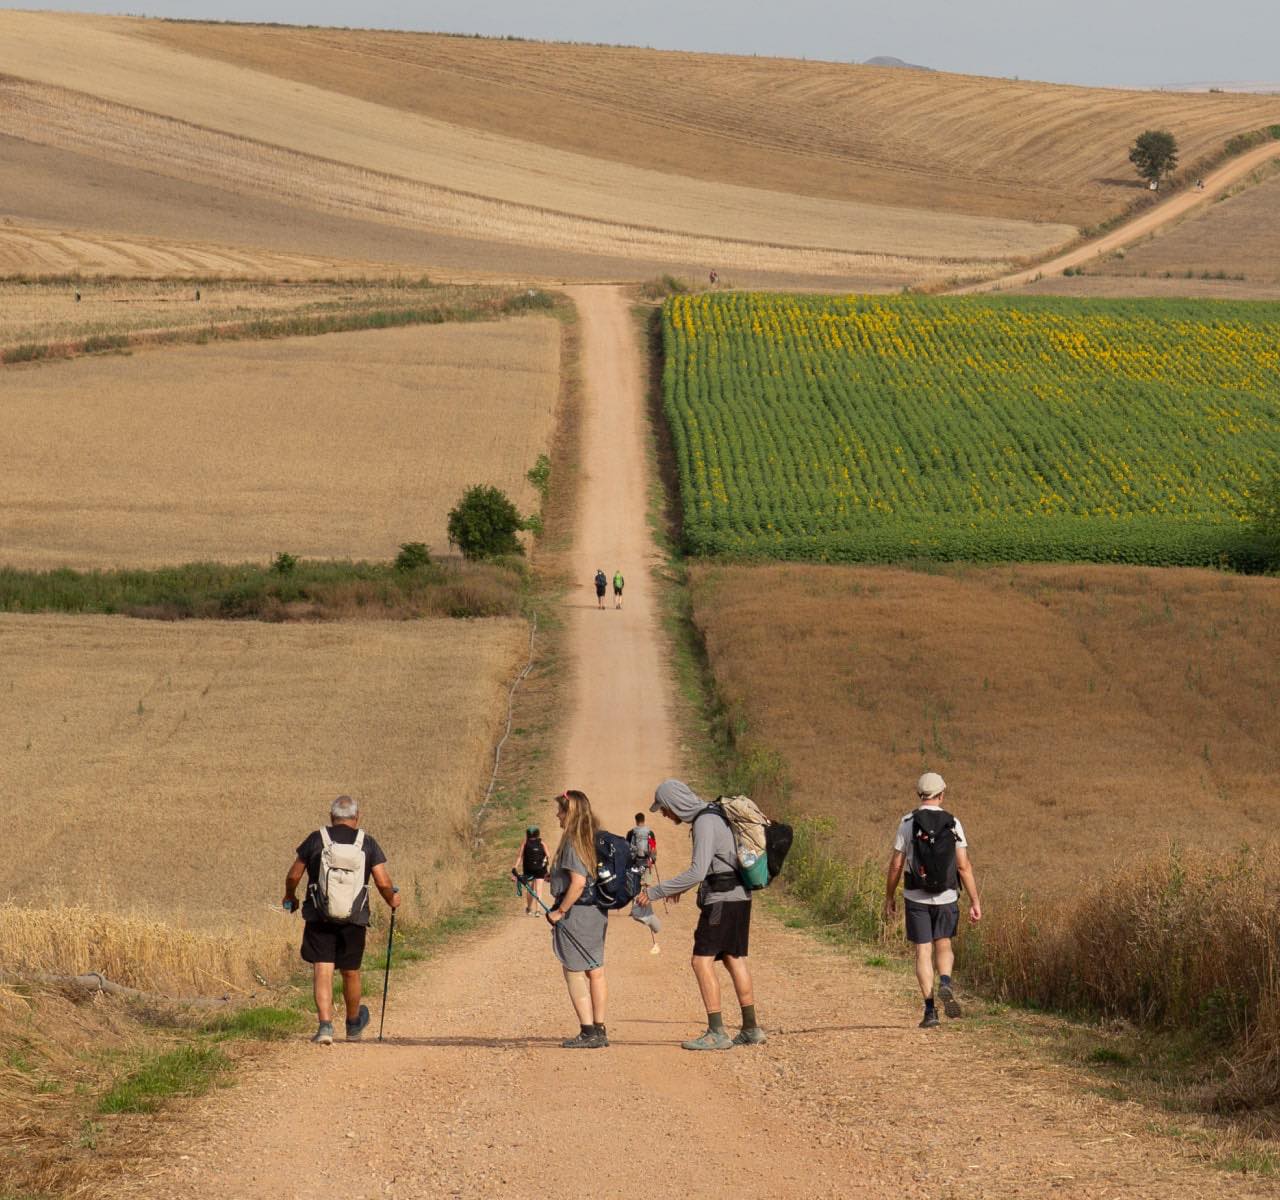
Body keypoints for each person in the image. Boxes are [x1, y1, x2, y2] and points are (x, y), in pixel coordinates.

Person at [638, 779, 765, 1050]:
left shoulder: (704, 821)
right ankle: (751, 1028)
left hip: (721, 899)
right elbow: (709, 867)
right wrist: (682, 888)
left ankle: (717, 1032)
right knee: (734, 957)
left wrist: (655, 892)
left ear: (675, 804)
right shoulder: (714, 813)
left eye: (664, 808)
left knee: (700, 961)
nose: (664, 814)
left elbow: (697, 871)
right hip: (739, 895)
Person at [283, 795, 400, 1045]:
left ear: (331, 816)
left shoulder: (317, 839)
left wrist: (289, 896)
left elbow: (294, 874)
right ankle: (353, 1025)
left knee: (322, 969)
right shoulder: (366, 842)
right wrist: (392, 900)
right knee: (350, 972)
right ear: (357, 818)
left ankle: (325, 1027)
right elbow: (382, 881)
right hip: (354, 917)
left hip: (319, 916)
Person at [883, 772, 982, 1029]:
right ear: (942, 794)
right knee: (944, 944)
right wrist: (975, 900)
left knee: (923, 951)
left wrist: (889, 896)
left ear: (919, 794)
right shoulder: (953, 822)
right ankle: (946, 982)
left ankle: (930, 1011)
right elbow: (963, 866)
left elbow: (896, 865)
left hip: (916, 895)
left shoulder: (908, 822)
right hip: (947, 895)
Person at [547, 789, 609, 1048]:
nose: (557, 815)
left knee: (573, 971)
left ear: (569, 812)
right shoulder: (592, 838)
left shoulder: (572, 841)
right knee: (596, 970)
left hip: (577, 914)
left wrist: (559, 911)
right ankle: (599, 1029)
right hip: (596, 911)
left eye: (560, 811)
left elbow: (578, 882)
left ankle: (587, 1031)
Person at [513, 825, 550, 915]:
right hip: (540, 869)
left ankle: (529, 908)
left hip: (528, 869)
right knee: (539, 889)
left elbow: (520, 856)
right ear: (538, 834)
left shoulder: (525, 843)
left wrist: (515, 867)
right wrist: (546, 865)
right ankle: (537, 911)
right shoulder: (542, 843)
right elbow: (548, 855)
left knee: (530, 889)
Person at [627, 811, 656, 883]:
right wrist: (653, 860)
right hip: (647, 861)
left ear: (636, 821)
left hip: (635, 862)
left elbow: (627, 847)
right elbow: (653, 847)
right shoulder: (650, 833)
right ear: (644, 820)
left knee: (634, 882)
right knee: (647, 883)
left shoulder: (631, 832)